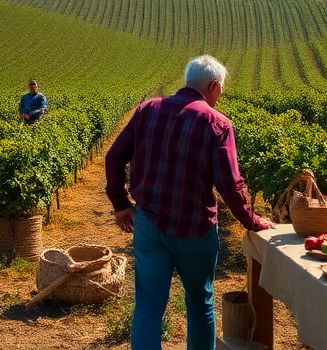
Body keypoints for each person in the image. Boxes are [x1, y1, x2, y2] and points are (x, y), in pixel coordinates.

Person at [105, 55, 275, 350]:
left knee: (147, 307)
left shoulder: (147, 110)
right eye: (220, 89)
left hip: (148, 225)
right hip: (194, 231)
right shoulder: (217, 123)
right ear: (212, 86)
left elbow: (113, 157)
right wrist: (251, 220)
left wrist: (121, 204)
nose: (220, 95)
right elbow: (229, 185)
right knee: (199, 305)